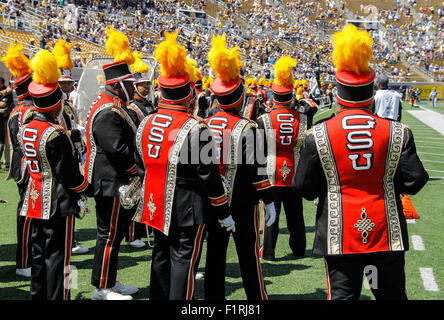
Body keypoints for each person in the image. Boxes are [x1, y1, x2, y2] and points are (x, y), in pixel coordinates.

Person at [293, 24, 429, 300]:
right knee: (390, 296)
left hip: (339, 236)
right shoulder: (398, 132)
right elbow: (416, 180)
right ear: (371, 92)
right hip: (385, 234)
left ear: (338, 93)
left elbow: (303, 187)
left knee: (343, 297)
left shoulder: (317, 134)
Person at [132, 30, 234, 300]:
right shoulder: (195, 128)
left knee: (160, 256)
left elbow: (139, 164)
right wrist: (223, 210)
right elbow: (208, 176)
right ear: (188, 93)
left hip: (155, 201)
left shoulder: (145, 121)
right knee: (183, 264)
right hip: (188, 206)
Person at [204, 34, 276, 301]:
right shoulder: (248, 127)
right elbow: (257, 173)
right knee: (248, 257)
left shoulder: (205, 124)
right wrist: (269, 200)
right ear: (240, 97)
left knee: (215, 257)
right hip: (243, 205)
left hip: (215, 202)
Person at [19, 49, 91, 300]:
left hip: (35, 199)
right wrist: (86, 188)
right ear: (56, 103)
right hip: (58, 203)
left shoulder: (28, 127)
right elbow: (70, 176)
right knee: (60, 259)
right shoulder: (55, 134)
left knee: (39, 256)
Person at [83, 28, 140, 300]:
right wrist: (136, 173)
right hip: (111, 182)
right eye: (129, 83)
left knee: (113, 235)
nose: (133, 87)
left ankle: (110, 281)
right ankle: (102, 288)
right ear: (117, 84)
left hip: (113, 180)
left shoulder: (112, 104)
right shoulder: (108, 110)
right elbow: (117, 150)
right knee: (108, 236)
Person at [257, 56, 307, 262]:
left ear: (274, 97)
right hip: (294, 170)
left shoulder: (263, 119)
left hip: (271, 172)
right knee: (296, 214)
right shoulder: (303, 118)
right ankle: (299, 249)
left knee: (271, 214)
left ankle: (268, 251)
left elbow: (259, 151)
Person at [1, 43, 35, 278]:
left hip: (28, 167)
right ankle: (24, 262)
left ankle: (30, 258)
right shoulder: (24, 112)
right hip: (26, 168)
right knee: (26, 215)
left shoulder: (24, 109)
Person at [0, 77, 14, 171]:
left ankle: (7, 163)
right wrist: (4, 92)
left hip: (5, 119)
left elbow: (2, 105)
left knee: (6, 142)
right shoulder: (7, 91)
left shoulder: (9, 92)